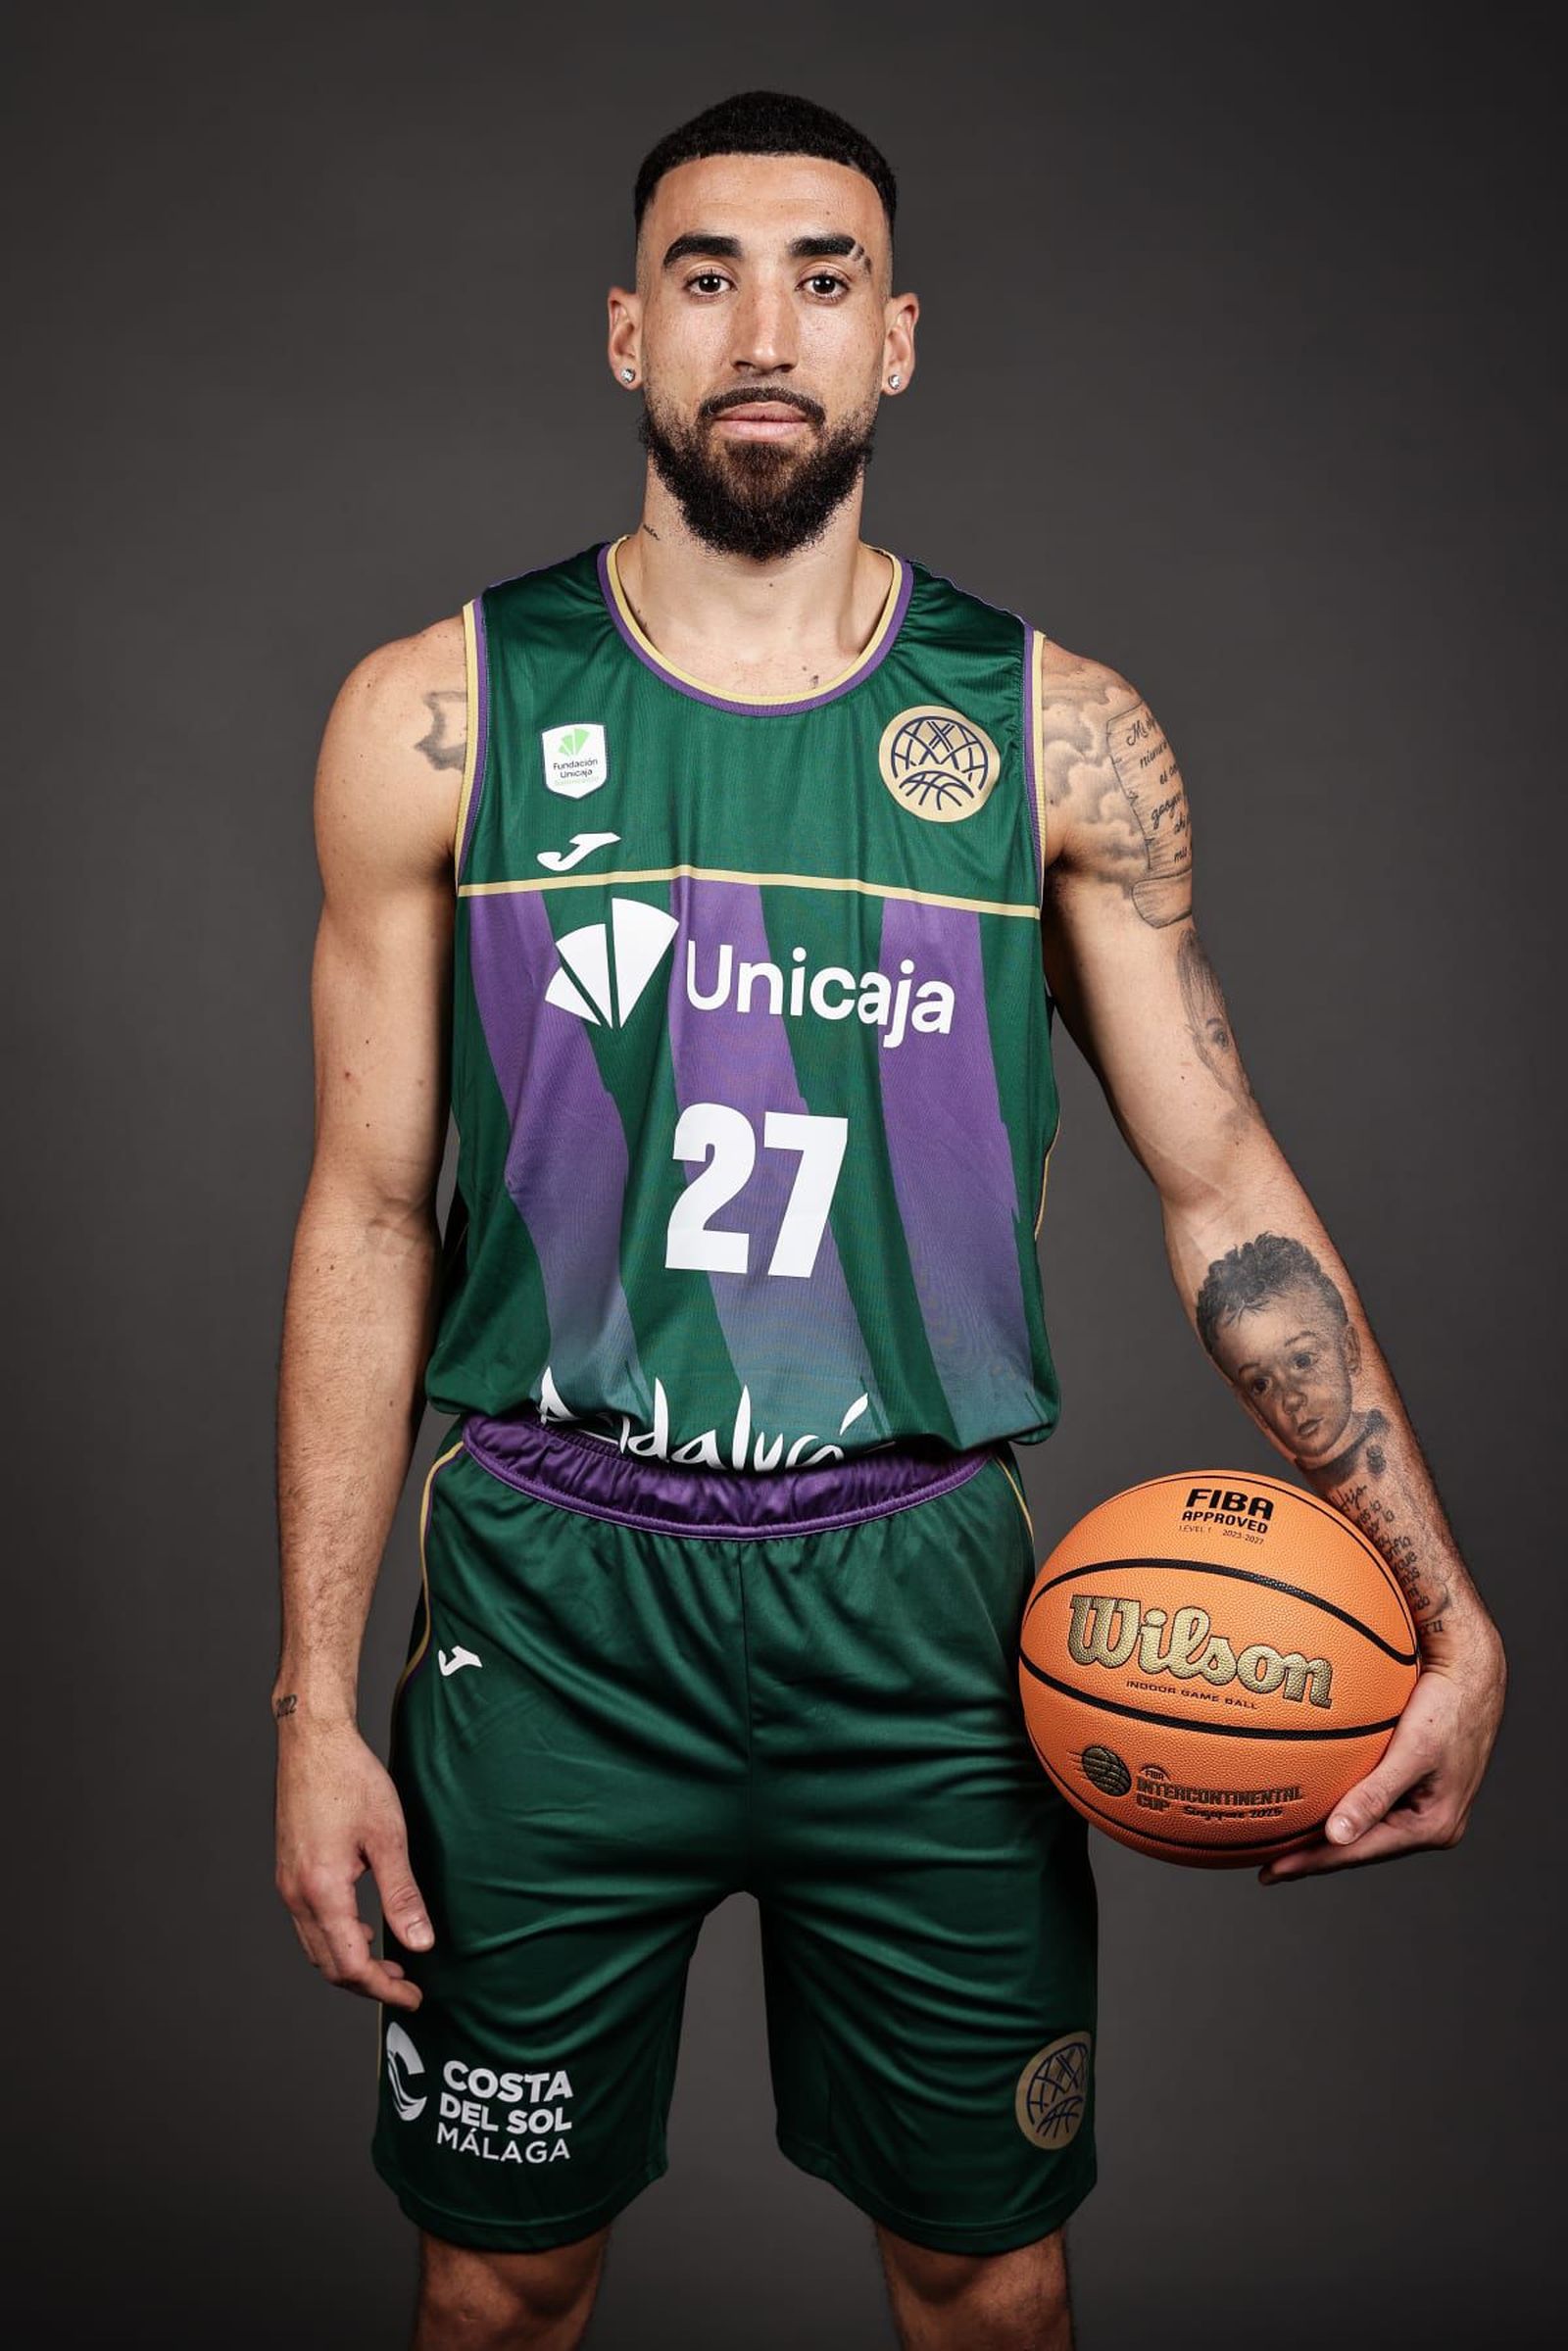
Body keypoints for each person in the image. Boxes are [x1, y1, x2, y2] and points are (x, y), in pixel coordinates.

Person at [272, 88, 1506, 2351]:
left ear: (896, 337)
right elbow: (366, 1216)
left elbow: (1221, 1190)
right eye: (709, 277)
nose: (765, 331)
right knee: (496, 2291)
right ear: (625, 329)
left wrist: (1438, 1605)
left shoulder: (1055, 739)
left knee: (986, 2291)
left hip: (920, 1612)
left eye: (821, 279)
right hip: (548, 1602)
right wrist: (308, 1703)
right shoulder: (437, 717)